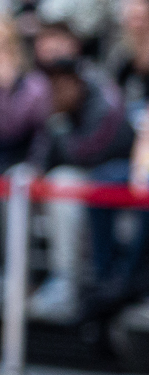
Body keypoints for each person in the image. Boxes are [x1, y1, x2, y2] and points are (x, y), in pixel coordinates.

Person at [27, 58, 138, 321]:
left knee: (64, 182)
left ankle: (68, 281)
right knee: (21, 179)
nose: (56, 91)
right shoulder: (58, 109)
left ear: (76, 82)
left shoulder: (104, 102)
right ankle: (20, 275)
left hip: (115, 175)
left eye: (61, 83)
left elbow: (87, 152)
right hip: (89, 175)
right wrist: (37, 169)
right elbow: (41, 157)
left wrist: (60, 127)